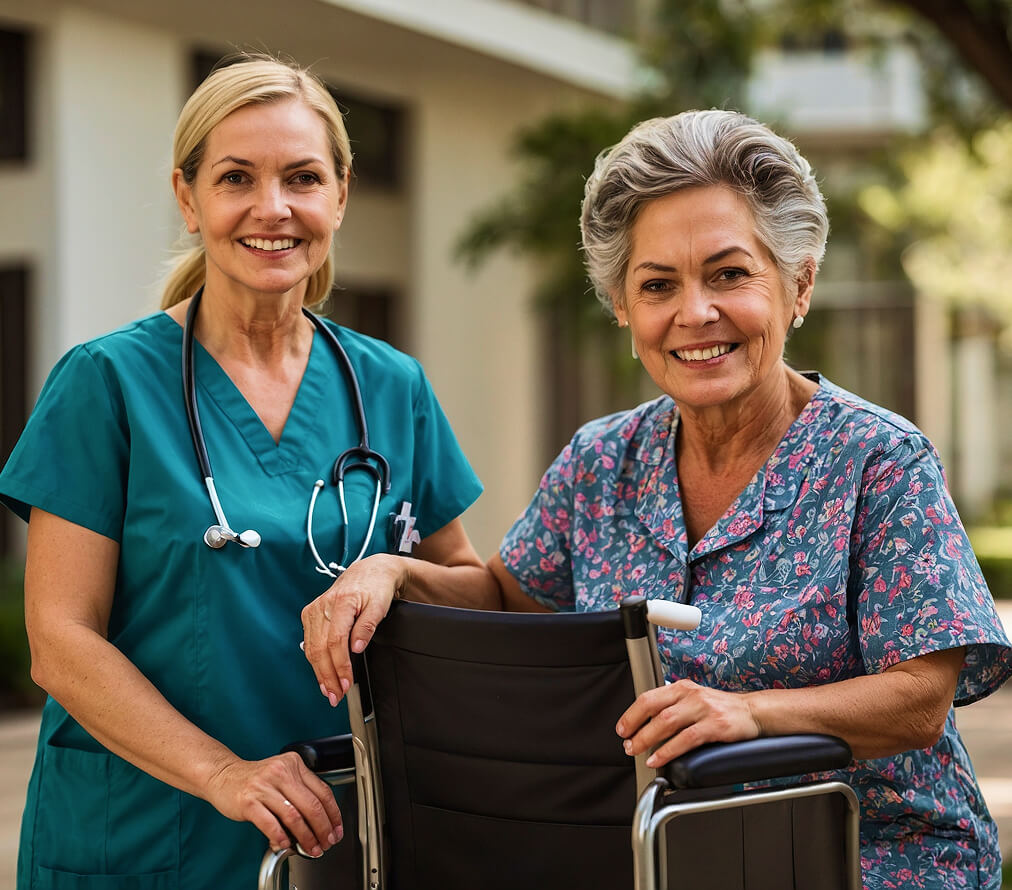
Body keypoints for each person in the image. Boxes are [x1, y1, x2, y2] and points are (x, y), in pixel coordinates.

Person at [305, 110, 1012, 890]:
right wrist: (390, 572)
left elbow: (920, 699)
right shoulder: (601, 460)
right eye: (657, 285)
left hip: (867, 857)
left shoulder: (879, 459)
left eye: (730, 274)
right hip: (659, 858)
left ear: (799, 285)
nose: (694, 313)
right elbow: (508, 596)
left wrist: (751, 710)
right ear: (621, 306)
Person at [0, 55, 488, 890]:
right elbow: (59, 643)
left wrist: (390, 570)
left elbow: (477, 589)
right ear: (189, 200)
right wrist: (223, 772)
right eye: (236, 178)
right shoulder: (108, 383)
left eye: (302, 177)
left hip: (336, 825)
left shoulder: (391, 387)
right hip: (146, 836)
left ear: (339, 194)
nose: (274, 208)